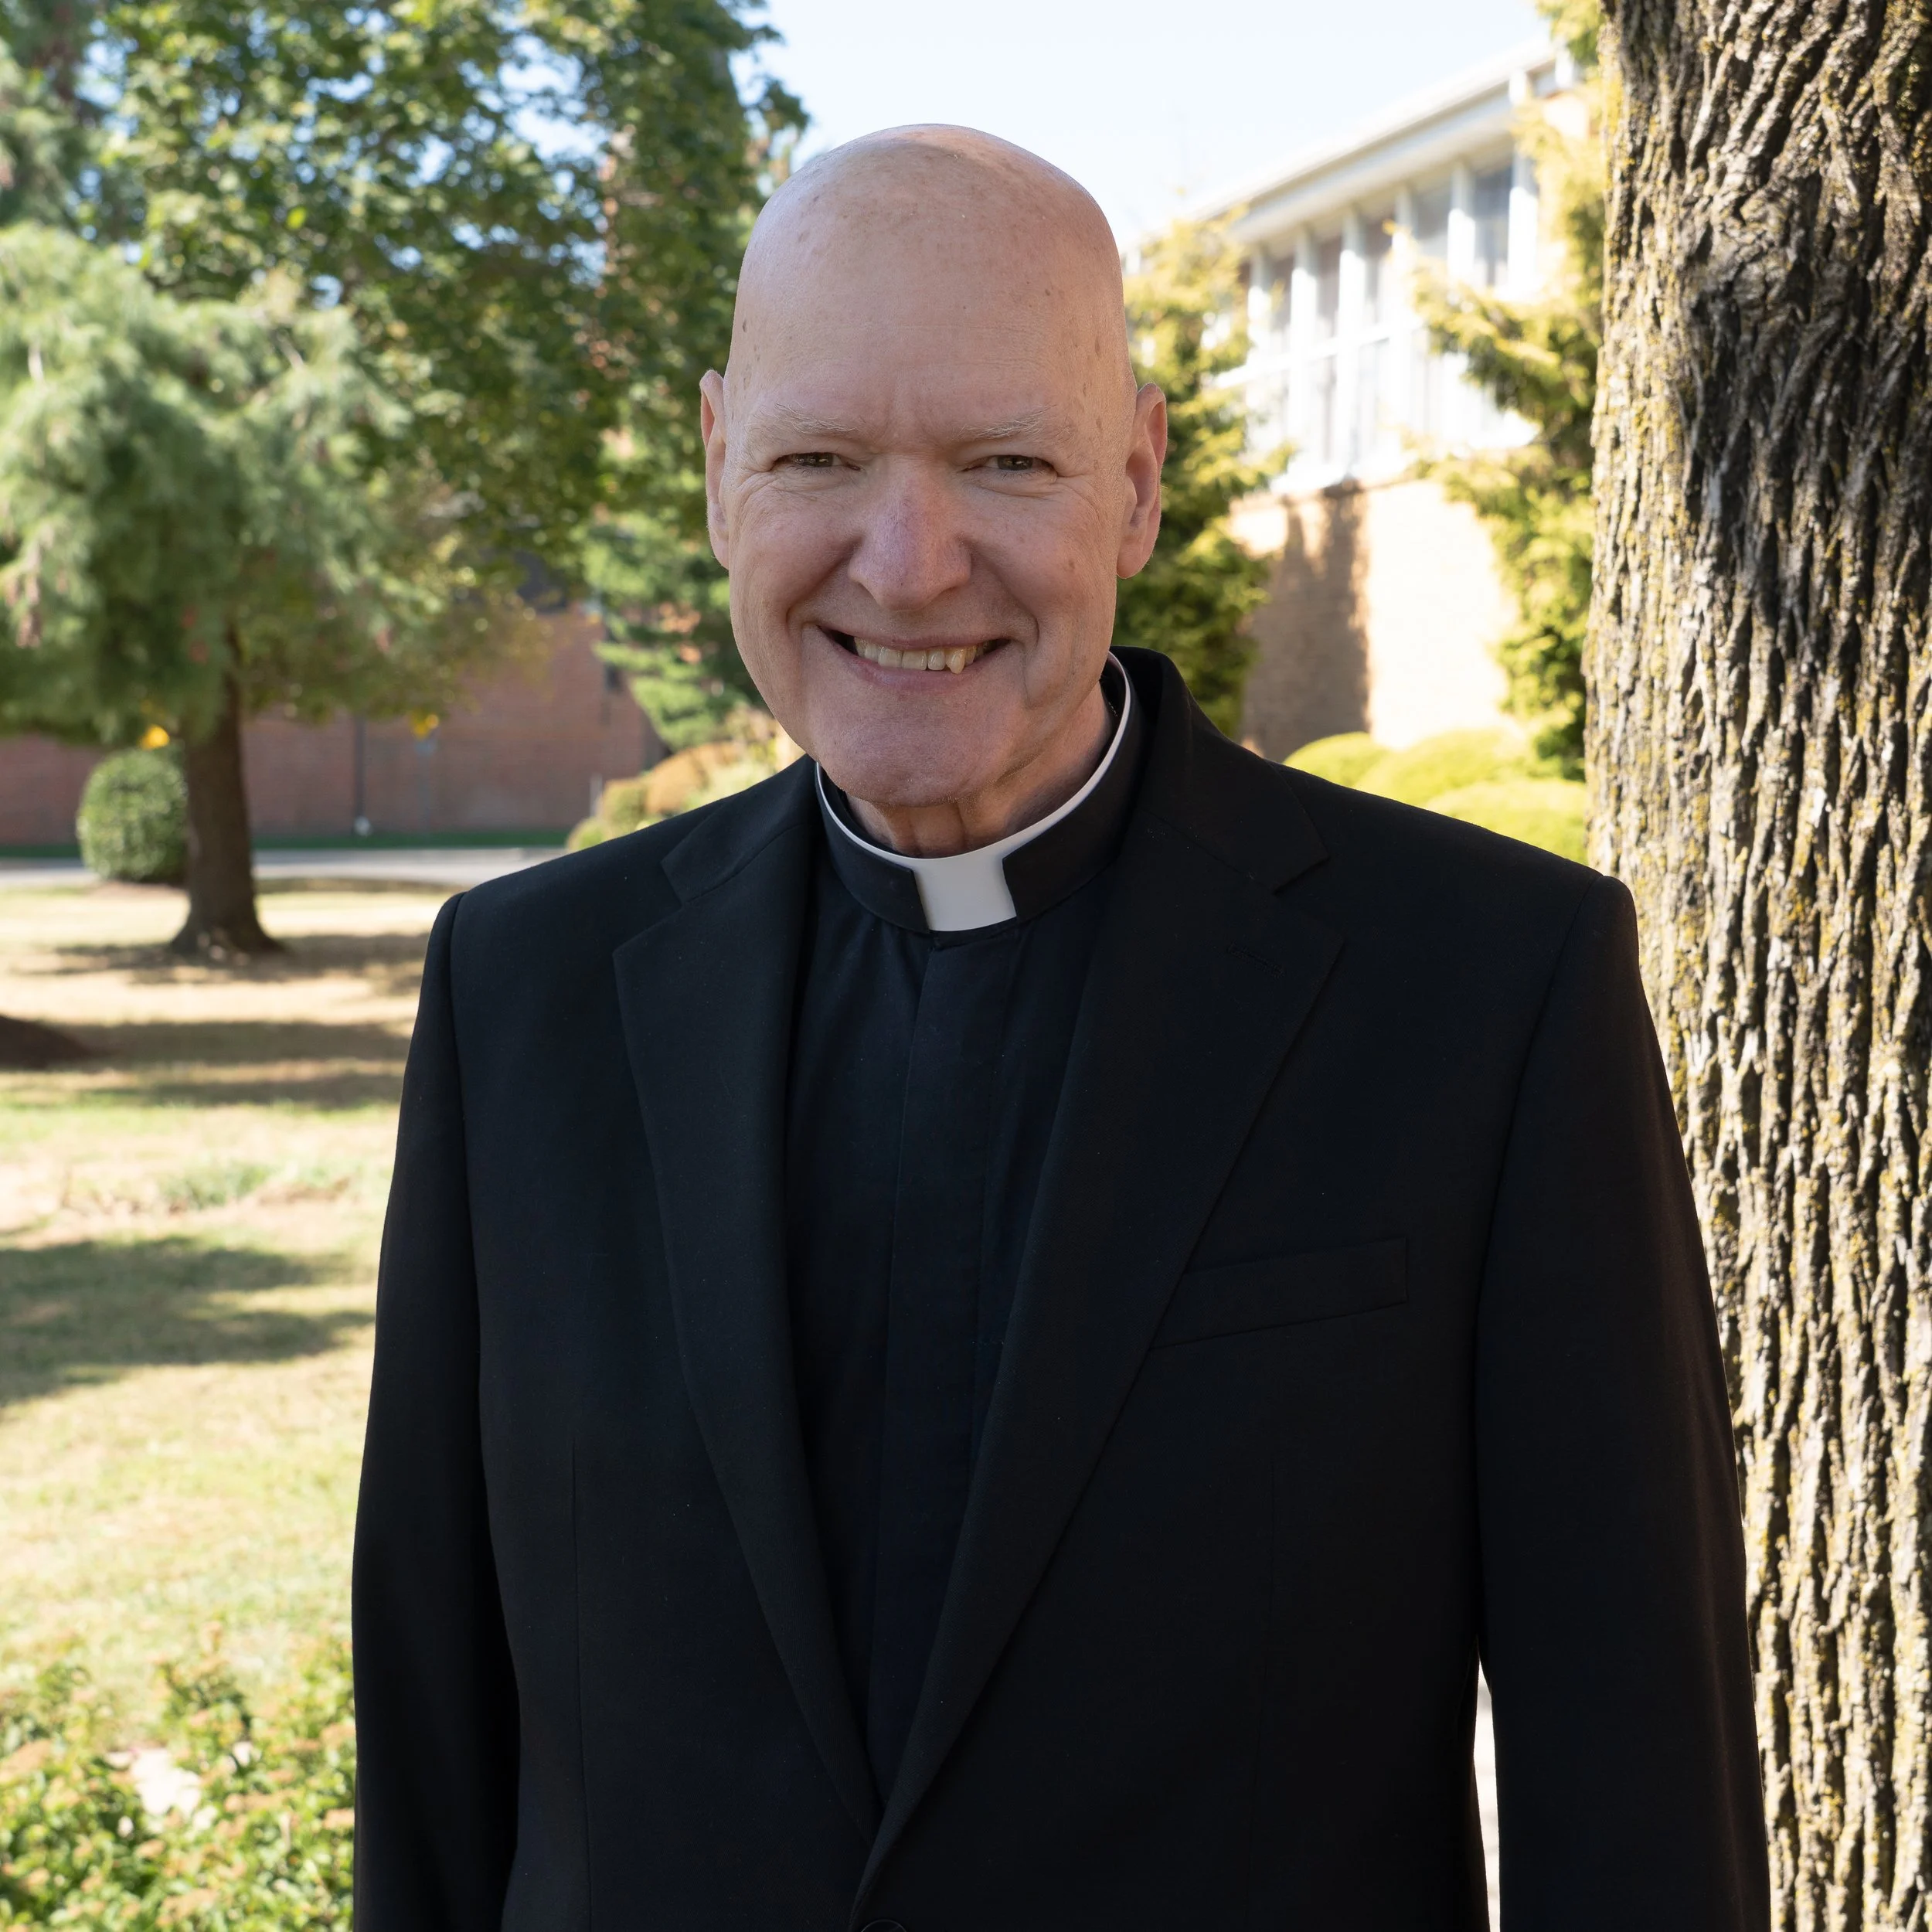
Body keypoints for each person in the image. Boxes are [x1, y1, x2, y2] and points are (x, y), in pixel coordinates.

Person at [352, 127, 1769, 1930]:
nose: (909, 558)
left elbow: (1630, 1786)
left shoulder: (1489, 989)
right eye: (818, 459)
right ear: (720, 469)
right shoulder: (517, 995)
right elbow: (431, 1751)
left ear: (1135, 478)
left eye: (1002, 460)